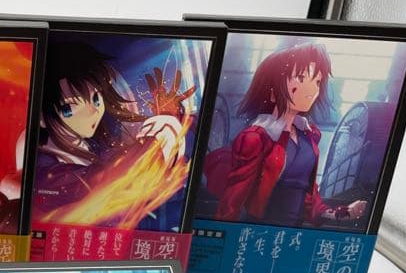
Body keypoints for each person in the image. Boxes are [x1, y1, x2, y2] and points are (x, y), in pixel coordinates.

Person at [206, 40, 367, 227]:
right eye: (300, 78)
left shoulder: (307, 136)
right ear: (273, 87)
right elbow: (233, 199)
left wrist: (341, 213)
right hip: (258, 229)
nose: (312, 90)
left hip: (293, 230)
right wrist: (223, 234)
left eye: (317, 81)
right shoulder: (257, 138)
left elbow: (310, 197)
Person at [35, 41, 193, 229]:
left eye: (96, 98)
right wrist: (165, 122)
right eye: (68, 109)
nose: (93, 112)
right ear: (41, 117)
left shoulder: (92, 145)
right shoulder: (45, 171)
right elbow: (115, 179)